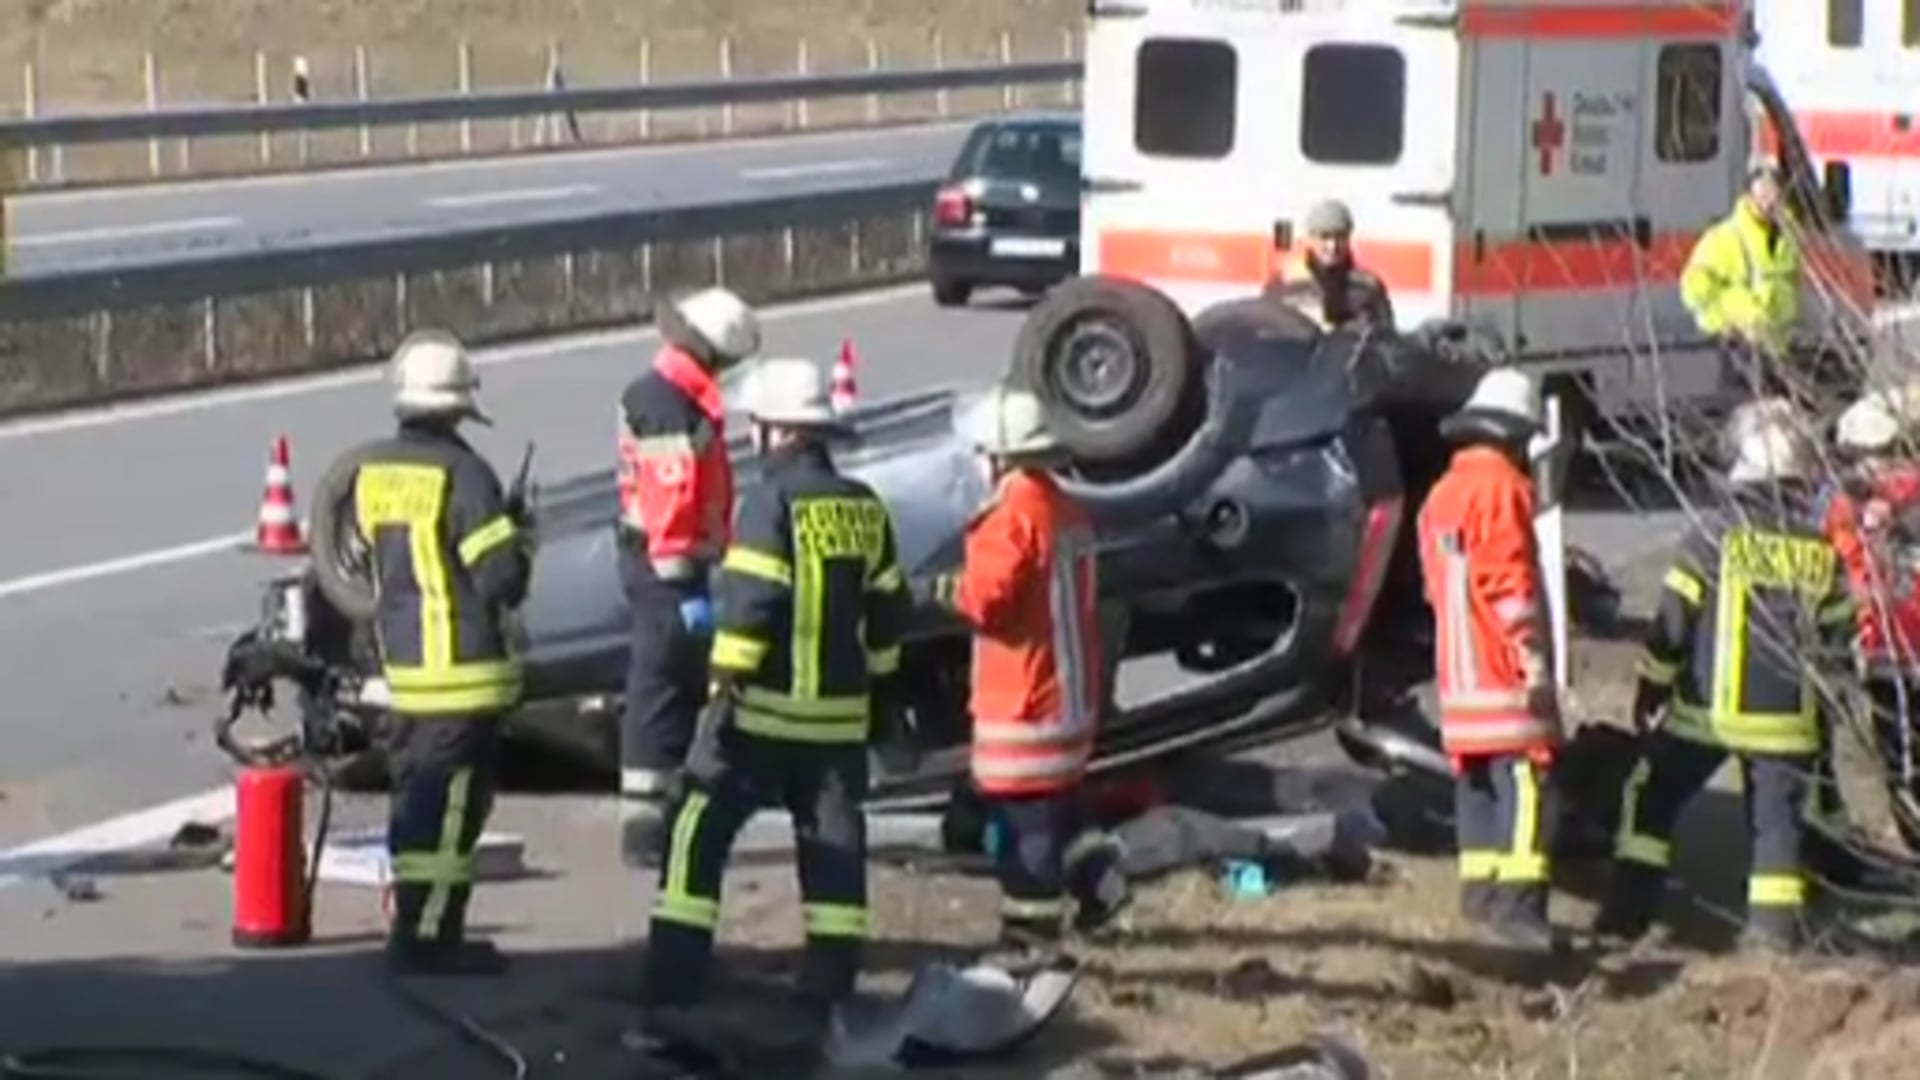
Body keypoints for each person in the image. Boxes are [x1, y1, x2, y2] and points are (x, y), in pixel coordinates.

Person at [640, 356, 911, 1033]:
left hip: (763, 715)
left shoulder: (770, 503)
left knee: (697, 821)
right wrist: (876, 687)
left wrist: (720, 686)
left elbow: (754, 604)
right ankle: (830, 979)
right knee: (834, 842)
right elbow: (888, 613)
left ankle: (675, 973)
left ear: (777, 433)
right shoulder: (862, 507)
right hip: (839, 721)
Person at [1593, 399, 1856, 953]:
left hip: (1707, 714)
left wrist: (1651, 685)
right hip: (1789, 723)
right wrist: (1825, 719)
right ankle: (1772, 944)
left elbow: (1673, 617)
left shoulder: (1713, 537)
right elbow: (1837, 641)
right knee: (1776, 831)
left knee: (1650, 795)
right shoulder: (1820, 550)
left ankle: (1626, 916)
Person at [919, 384, 1130, 950]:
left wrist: (935, 592)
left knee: (1025, 827)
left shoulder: (1008, 519)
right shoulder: (1066, 510)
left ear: (998, 455)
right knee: (1059, 805)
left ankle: (1029, 935)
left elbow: (986, 601)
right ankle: (1099, 885)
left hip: (1024, 701)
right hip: (1070, 697)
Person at [348, 330, 533, 976]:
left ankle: (414, 925)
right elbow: (503, 580)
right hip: (464, 676)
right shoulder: (467, 475)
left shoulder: (374, 474)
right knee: (453, 817)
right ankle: (429, 941)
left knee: (416, 805)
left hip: (405, 672)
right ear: (458, 405)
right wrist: (522, 537)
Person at [1417, 366, 1564, 953]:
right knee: (1529, 783)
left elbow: (1434, 585)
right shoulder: (1502, 489)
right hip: (1503, 674)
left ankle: (1479, 900)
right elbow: (1510, 581)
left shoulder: (1440, 495)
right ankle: (1519, 912)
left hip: (1458, 674)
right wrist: (1530, 656)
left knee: (1475, 783)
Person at [615, 286, 762, 867]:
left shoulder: (675, 395)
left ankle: (663, 816)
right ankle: (646, 830)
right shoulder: (667, 402)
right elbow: (671, 496)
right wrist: (679, 577)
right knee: (658, 688)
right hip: (663, 568)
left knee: (672, 687)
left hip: (669, 565)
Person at [1822, 384, 1920, 823]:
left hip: (1884, 651)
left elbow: (1836, 572)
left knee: (1901, 762)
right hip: (1897, 647)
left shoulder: (1844, 511)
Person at [1680, 163, 1803, 399]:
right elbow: (1692, 290)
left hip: (1779, 352)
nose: (1768, 202)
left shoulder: (1789, 238)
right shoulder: (1724, 237)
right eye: (1762, 195)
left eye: (1774, 195)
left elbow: (1794, 285)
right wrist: (1725, 321)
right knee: (1745, 421)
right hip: (1739, 350)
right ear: (1748, 197)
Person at [1262, 198, 1396, 333]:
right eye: (1324, 237)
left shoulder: (1367, 286)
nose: (1332, 246)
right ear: (1310, 238)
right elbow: (1266, 332)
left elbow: (1386, 338)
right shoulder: (1285, 283)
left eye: (1340, 237)